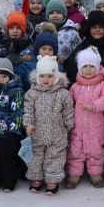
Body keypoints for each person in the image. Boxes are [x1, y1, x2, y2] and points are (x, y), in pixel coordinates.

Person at [24, 55, 75, 195]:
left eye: (50, 76)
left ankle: (52, 180)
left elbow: (68, 111)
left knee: (55, 156)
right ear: (37, 76)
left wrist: (69, 124)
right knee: (36, 157)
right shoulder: (32, 93)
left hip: (57, 133)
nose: (46, 79)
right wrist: (28, 124)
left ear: (57, 76)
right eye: (43, 76)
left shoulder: (63, 94)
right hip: (37, 133)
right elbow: (28, 111)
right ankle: (36, 179)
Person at [66, 47, 104, 189]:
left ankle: (96, 175)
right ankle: (74, 175)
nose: (88, 69)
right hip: (78, 126)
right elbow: (69, 103)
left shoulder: (102, 84)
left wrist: (94, 105)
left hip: (96, 127)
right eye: (85, 66)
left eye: (92, 66)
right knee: (75, 151)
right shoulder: (75, 86)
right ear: (80, 68)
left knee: (96, 151)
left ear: (97, 68)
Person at [0, 58, 24, 193]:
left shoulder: (16, 90)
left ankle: (9, 181)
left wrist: (16, 129)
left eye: (4, 76)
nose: (1, 79)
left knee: (7, 157)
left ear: (11, 76)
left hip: (9, 132)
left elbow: (18, 110)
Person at [64, 10, 104, 84]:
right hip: (83, 89)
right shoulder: (82, 47)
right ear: (89, 29)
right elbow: (71, 69)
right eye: (94, 27)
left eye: (101, 27)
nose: (97, 30)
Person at [45, 0, 82, 65]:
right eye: (51, 13)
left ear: (64, 14)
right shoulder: (43, 29)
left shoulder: (72, 30)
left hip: (66, 67)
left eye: (58, 13)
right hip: (46, 68)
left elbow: (79, 51)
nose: (55, 15)